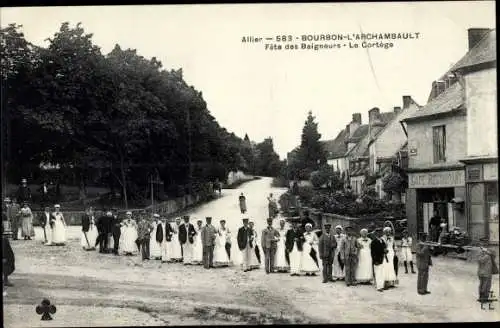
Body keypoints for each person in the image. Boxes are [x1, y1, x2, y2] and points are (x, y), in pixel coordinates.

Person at [477, 238, 498, 302]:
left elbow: (494, 254)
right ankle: (482, 298)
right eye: (484, 242)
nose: (486, 243)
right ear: (481, 243)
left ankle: (484, 298)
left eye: (486, 242)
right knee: (483, 285)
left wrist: (487, 251)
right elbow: (480, 260)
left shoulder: (489, 250)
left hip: (488, 271)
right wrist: (487, 255)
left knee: (487, 285)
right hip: (483, 271)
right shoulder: (480, 251)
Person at [2, 224, 15, 296]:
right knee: (7, 264)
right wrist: (4, 257)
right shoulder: (4, 239)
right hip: (5, 258)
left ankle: (5, 279)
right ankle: (5, 280)